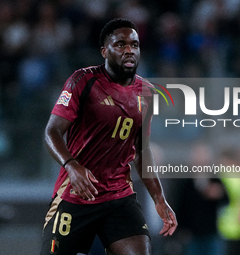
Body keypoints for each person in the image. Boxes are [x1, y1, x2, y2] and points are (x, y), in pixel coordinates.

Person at [40, 18, 177, 255]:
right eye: (120, 44)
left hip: (118, 196)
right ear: (104, 51)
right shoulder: (82, 81)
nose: (129, 50)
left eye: (134, 45)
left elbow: (141, 149)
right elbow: (51, 131)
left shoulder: (147, 93)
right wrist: (72, 166)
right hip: (76, 194)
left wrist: (158, 198)